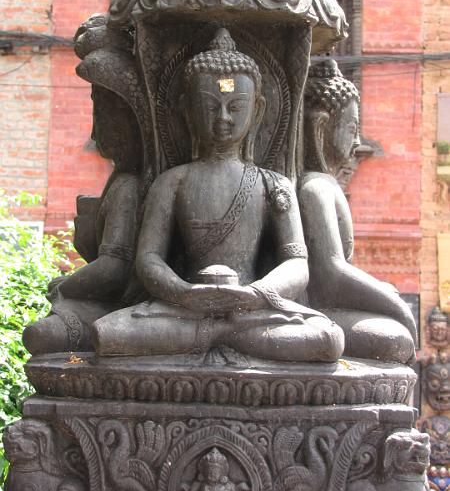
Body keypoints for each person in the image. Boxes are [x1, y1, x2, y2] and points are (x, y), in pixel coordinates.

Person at [92, 29, 344, 363]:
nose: (223, 118)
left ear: (257, 110)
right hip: (185, 309)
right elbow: (149, 259)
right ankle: (222, 335)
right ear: (187, 110)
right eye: (210, 106)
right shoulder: (172, 182)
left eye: (235, 106)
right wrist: (184, 293)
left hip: (252, 309)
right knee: (107, 333)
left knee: (328, 339)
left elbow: (296, 263)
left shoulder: (274, 184)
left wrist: (255, 294)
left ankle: (214, 336)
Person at [23, 29, 146, 355]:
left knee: (44, 334)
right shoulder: (120, 181)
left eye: (103, 116)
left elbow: (114, 268)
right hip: (110, 305)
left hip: (128, 308)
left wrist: (67, 284)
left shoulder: (128, 186)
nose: (95, 131)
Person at [299, 58, 416, 364]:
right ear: (320, 126)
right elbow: (330, 275)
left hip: (329, 311)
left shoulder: (324, 186)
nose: (357, 142)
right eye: (351, 129)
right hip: (313, 310)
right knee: (395, 340)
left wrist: (380, 292)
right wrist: (397, 307)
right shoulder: (313, 188)